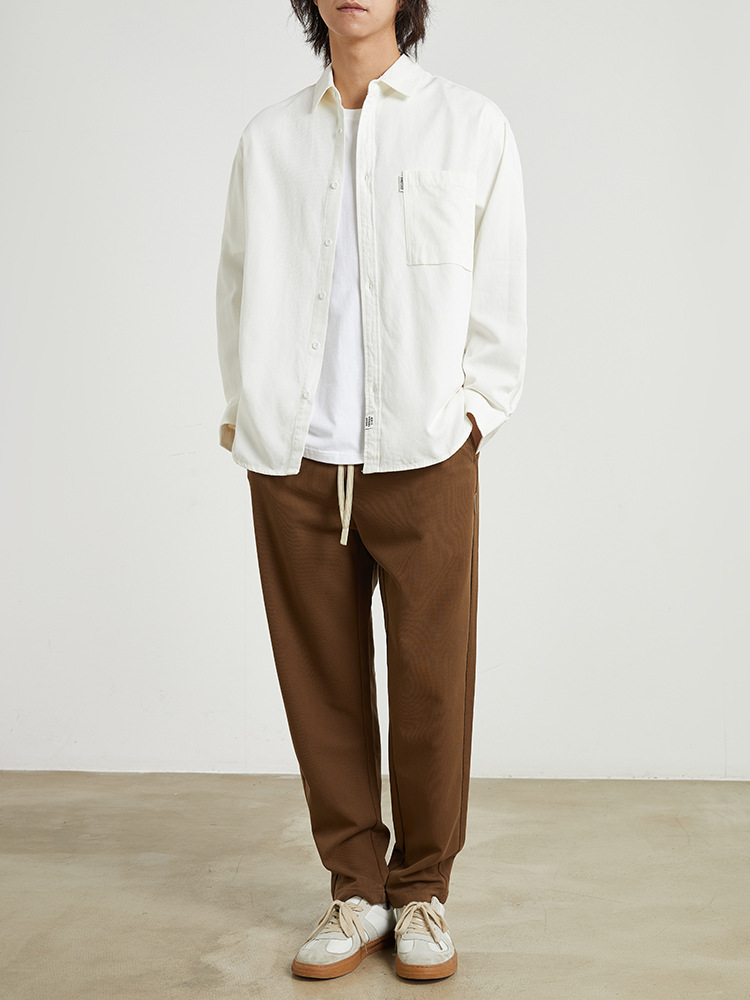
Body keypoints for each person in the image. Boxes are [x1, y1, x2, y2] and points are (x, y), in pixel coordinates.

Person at [215, 0, 527, 982]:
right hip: (297, 459)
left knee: (434, 681)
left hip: (423, 455)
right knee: (322, 685)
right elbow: (235, 285)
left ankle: (421, 890)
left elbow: (501, 288)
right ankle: (354, 889)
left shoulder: (470, 127)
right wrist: (248, 413)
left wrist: (474, 412)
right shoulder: (269, 139)